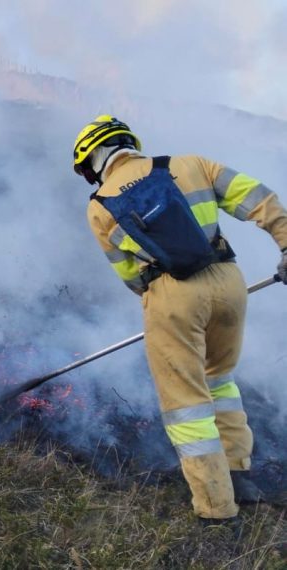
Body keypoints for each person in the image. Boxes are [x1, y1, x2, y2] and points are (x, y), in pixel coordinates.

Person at [73, 115, 287, 524]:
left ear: (95, 158)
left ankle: (216, 510)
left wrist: (161, 306)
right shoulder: (190, 164)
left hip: (172, 294)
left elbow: (130, 275)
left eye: (87, 170)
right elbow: (260, 199)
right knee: (220, 381)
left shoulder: (100, 207)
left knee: (186, 406)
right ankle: (240, 476)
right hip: (229, 283)